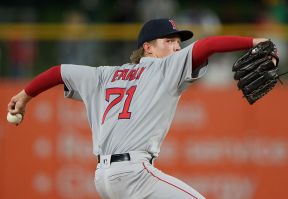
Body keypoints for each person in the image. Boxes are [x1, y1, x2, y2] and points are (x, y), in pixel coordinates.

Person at [8, 18, 272, 199]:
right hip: (134, 173)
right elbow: (207, 46)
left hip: (103, 179)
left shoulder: (104, 75)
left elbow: (58, 72)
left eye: (178, 42)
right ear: (148, 48)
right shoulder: (165, 67)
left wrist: (25, 95)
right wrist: (253, 42)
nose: (177, 46)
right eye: (168, 41)